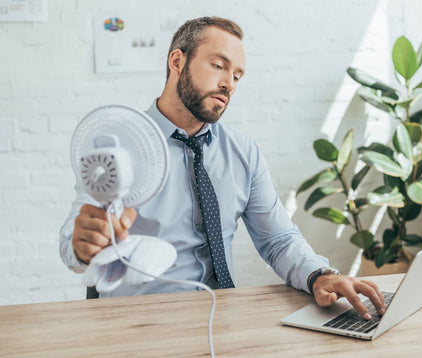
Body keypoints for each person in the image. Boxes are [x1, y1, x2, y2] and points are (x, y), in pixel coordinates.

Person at [60, 16, 385, 320]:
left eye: (237, 75)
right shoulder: (119, 146)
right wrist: (82, 244)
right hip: (139, 320)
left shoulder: (242, 153)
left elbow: (279, 239)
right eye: (218, 66)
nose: (229, 83)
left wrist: (319, 275)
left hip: (222, 316)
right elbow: (74, 240)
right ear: (177, 62)